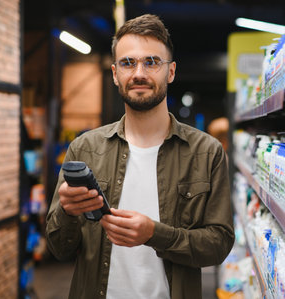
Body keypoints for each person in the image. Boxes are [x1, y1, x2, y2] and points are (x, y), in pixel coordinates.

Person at [45, 14, 234, 299]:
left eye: (152, 62)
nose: (139, 74)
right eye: (128, 63)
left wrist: (154, 234)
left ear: (170, 72)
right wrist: (68, 212)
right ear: (114, 74)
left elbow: (219, 245)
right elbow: (59, 248)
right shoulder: (85, 149)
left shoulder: (206, 152)